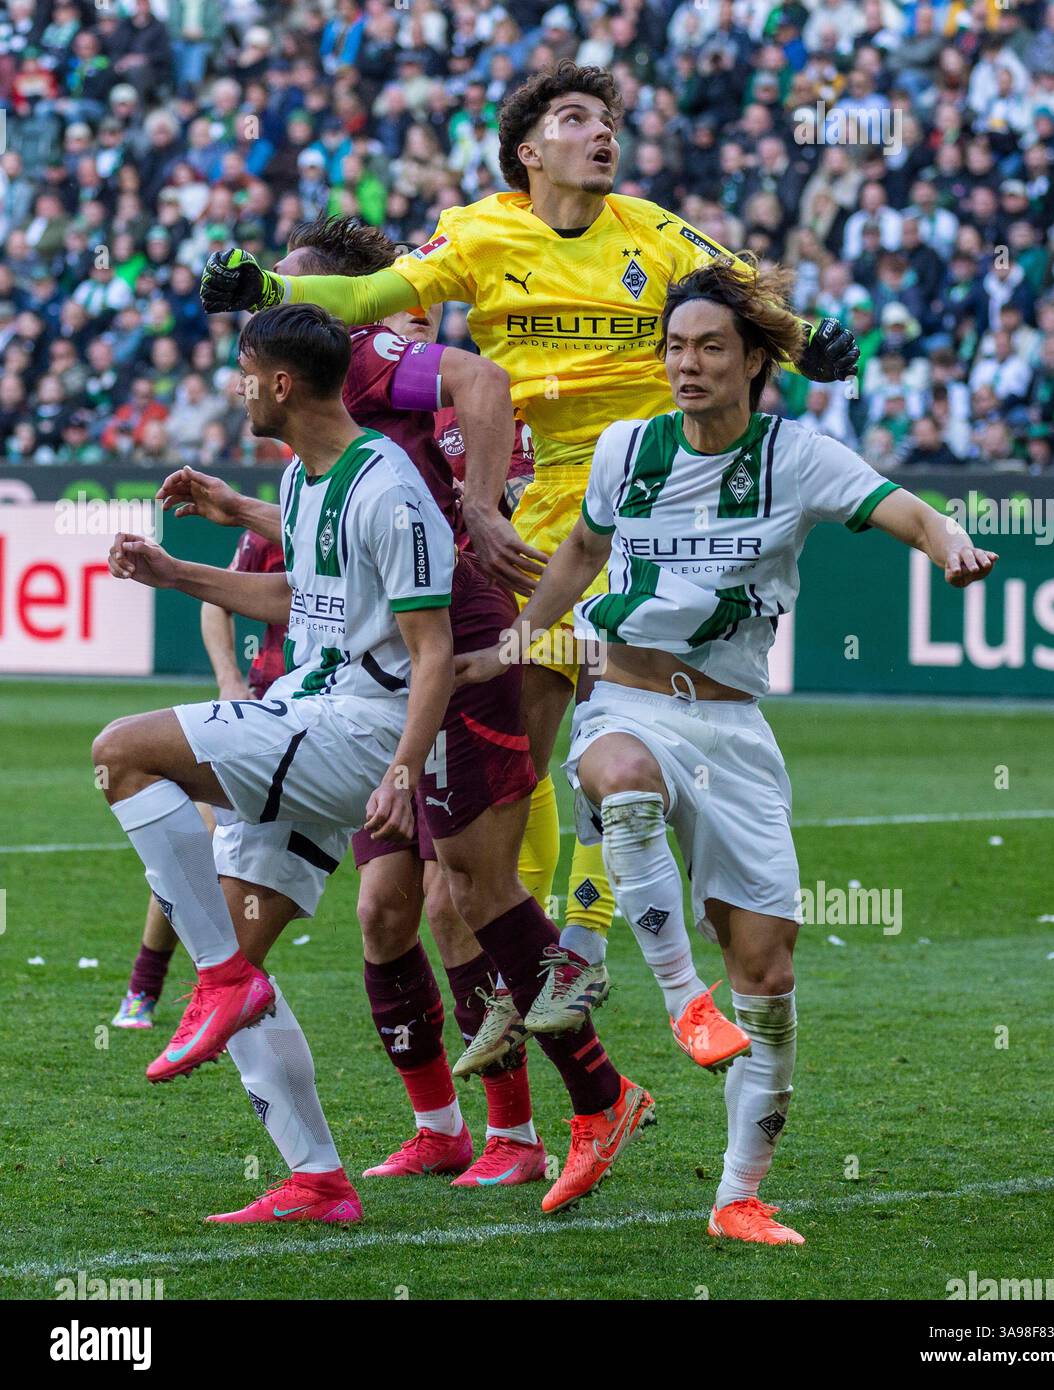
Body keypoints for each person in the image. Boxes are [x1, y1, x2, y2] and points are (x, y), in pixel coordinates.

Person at [198, 60, 859, 1070]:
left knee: (617, 736)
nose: (602, 133)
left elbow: (742, 293)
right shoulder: (478, 234)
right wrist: (272, 289)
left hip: (652, 513)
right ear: (528, 149)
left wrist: (810, 342)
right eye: (576, 118)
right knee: (512, 761)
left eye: (608, 118)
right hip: (546, 516)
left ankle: (591, 950)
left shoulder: (655, 231)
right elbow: (373, 290)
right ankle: (528, 968)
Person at [456, 257, 998, 1244]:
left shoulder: (797, 457)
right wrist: (522, 632)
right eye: (673, 347)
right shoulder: (627, 448)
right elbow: (580, 550)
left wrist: (950, 544)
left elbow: (906, 510)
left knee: (770, 970)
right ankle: (677, 1000)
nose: (686, 365)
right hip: (624, 694)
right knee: (614, 778)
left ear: (754, 359)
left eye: (709, 347)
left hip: (733, 726)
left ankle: (738, 1195)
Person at [168, 220, 656, 1213]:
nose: (278, 310)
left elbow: (478, 393)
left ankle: (561, 1108)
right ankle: (442, 1126)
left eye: (298, 293)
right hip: (379, 666)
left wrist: (481, 507)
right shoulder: (326, 425)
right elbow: (341, 540)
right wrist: (228, 526)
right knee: (389, 907)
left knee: (470, 898)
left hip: (453, 651)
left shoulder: (372, 353)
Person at [96, 302, 457, 1223]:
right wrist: (177, 573)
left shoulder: (388, 484)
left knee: (122, 754)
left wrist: (404, 768)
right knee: (237, 946)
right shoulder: (305, 479)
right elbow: (300, 597)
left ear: (282, 383)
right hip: (309, 706)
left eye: (246, 372)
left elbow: (434, 648)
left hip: (360, 732)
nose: (239, 387)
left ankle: (219, 976)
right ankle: (318, 1179)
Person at [111, 529, 286, 1031]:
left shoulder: (367, 508)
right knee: (200, 844)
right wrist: (230, 679)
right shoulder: (276, 523)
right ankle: (146, 986)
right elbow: (217, 603)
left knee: (389, 895)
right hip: (264, 715)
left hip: (342, 722)